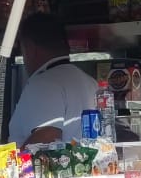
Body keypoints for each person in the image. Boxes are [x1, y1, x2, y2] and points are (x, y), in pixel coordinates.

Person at [6, 13, 100, 146]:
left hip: (52, 166)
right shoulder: (90, 82)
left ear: (30, 49)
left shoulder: (43, 84)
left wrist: (10, 165)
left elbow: (46, 138)